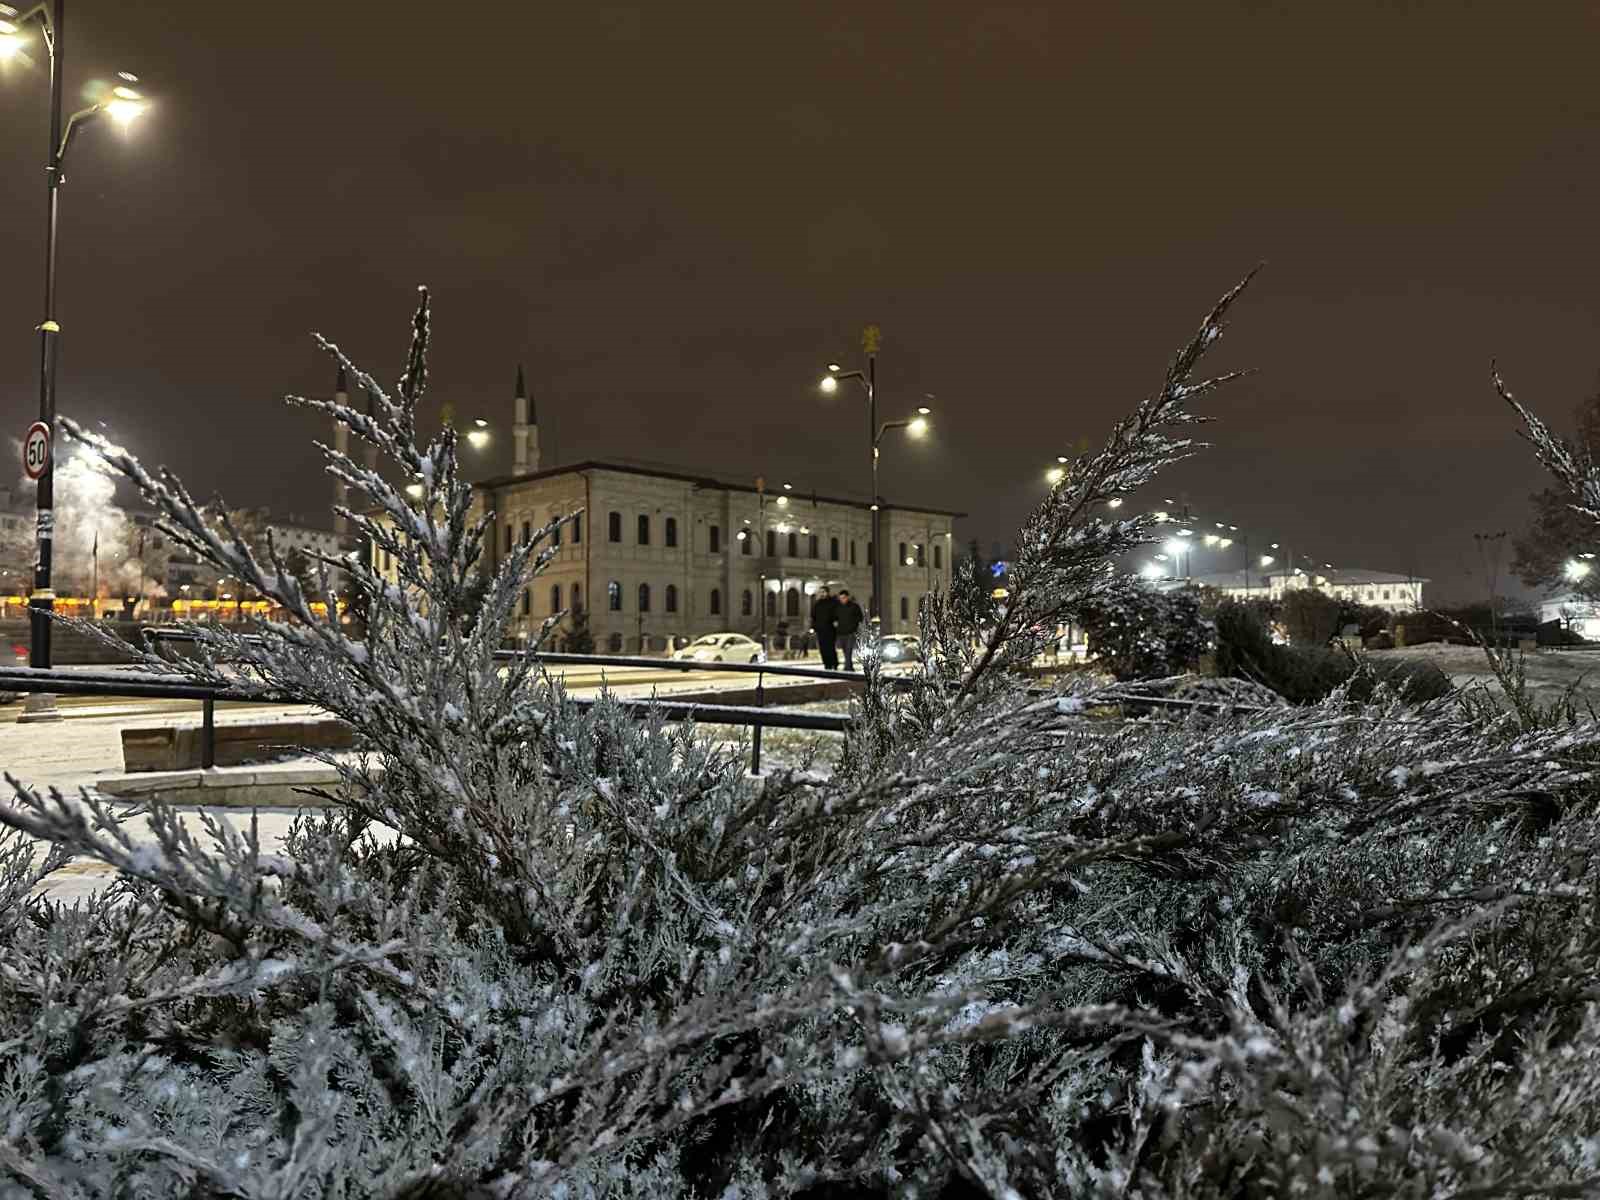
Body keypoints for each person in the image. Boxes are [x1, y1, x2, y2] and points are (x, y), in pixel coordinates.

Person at [834, 588, 864, 671]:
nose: (842, 600)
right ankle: (849, 666)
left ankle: (847, 667)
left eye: (843, 598)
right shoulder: (837, 607)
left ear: (847, 597)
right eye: (840, 598)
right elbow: (834, 617)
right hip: (841, 632)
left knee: (848, 650)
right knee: (844, 650)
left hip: (851, 632)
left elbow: (860, 617)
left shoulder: (854, 606)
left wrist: (854, 626)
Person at [810, 586, 839, 670]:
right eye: (821, 592)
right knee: (822, 648)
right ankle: (827, 664)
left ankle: (834, 663)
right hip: (820, 630)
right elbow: (813, 616)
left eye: (823, 592)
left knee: (830, 647)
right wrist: (813, 627)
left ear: (827, 592)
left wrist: (836, 622)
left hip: (830, 629)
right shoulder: (817, 604)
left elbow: (836, 614)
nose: (822, 594)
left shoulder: (833, 603)